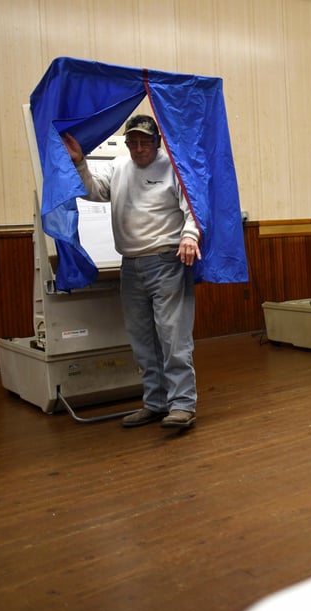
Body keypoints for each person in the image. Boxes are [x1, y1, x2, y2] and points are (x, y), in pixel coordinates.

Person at [62, 114, 200, 429]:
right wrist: (79, 162)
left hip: (166, 261)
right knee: (142, 341)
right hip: (131, 265)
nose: (138, 149)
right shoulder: (120, 167)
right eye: (132, 142)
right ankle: (155, 403)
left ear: (157, 141)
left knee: (172, 337)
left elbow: (192, 206)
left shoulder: (174, 167)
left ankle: (182, 405)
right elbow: (94, 191)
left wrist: (190, 236)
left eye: (144, 142)